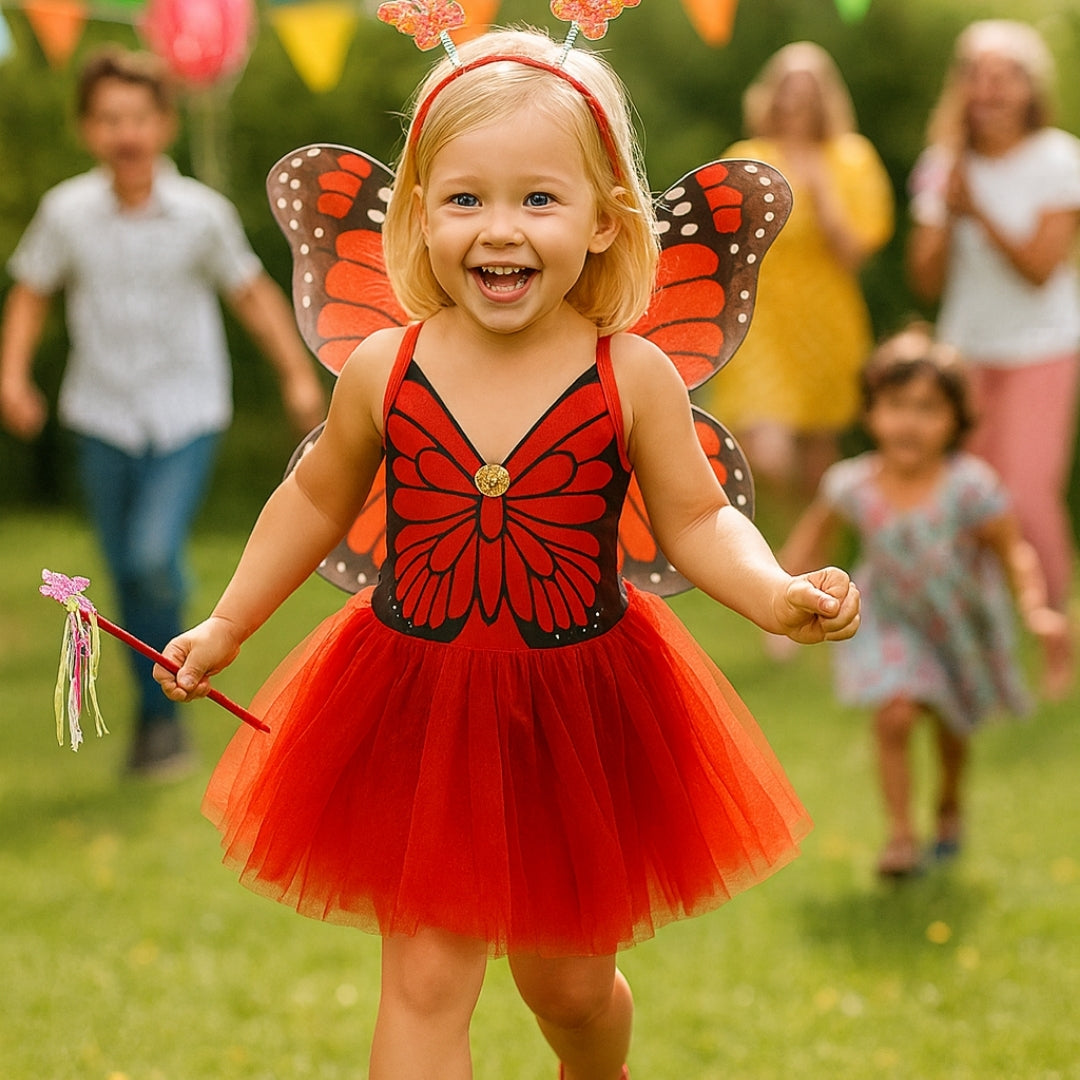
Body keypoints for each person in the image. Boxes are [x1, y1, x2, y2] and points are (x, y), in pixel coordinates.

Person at [153, 28, 860, 1080]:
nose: (501, 230)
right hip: (416, 695)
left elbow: (699, 520)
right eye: (466, 199)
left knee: (568, 988)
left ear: (605, 220)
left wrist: (773, 593)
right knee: (426, 982)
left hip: (576, 701)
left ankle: (595, 1069)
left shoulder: (634, 375)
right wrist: (227, 622)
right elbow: (310, 498)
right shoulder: (385, 369)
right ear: (419, 213)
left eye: (539, 199)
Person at [0, 46, 327, 778]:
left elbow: (252, 293)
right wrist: (13, 374)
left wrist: (294, 376)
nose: (126, 132)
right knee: (123, 578)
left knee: (151, 559)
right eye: (110, 118)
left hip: (186, 414)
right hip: (100, 416)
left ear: (165, 125)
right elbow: (30, 292)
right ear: (88, 129)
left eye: (140, 117)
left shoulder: (201, 217)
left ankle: (167, 678)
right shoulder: (67, 213)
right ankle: (159, 727)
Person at [780, 324, 1069, 878]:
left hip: (957, 627)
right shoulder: (852, 486)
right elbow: (810, 540)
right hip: (888, 621)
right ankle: (901, 837)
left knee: (949, 727)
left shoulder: (970, 488)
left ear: (956, 420)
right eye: (894, 405)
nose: (908, 421)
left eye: (927, 408)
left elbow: (1014, 553)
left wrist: (1034, 607)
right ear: (871, 412)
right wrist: (776, 598)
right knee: (895, 716)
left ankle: (949, 805)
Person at [907, 20, 1080, 673]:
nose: (988, 89)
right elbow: (925, 279)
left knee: (1029, 497)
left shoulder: (1061, 159)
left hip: (1043, 345)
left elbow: (1041, 266)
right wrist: (948, 211)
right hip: (967, 349)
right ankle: (980, 640)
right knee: (968, 500)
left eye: (1003, 75)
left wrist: (975, 206)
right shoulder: (941, 166)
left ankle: (1054, 639)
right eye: (976, 74)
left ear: (1029, 88)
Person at [704, 41, 894, 507]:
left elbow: (854, 250)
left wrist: (821, 187)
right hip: (758, 319)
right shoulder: (748, 155)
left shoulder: (852, 158)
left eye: (808, 89)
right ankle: (761, 538)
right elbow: (720, 242)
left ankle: (805, 558)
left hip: (825, 319)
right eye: (786, 86)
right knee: (767, 452)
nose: (795, 99)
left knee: (817, 455)